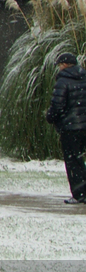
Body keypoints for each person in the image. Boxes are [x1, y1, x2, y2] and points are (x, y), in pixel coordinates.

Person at [45, 51, 86, 203]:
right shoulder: (84, 76)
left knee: (73, 160)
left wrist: (51, 117)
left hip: (70, 128)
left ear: (64, 65)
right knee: (80, 159)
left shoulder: (63, 81)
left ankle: (79, 194)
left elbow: (57, 105)